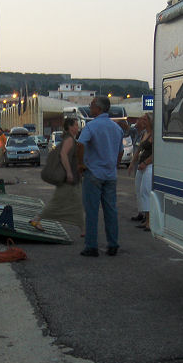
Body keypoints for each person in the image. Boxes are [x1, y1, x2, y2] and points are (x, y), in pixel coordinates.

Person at [77, 95, 124, 257]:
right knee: (111, 210)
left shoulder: (91, 126)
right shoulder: (116, 128)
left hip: (93, 173)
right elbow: (121, 151)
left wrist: (80, 164)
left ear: (99, 108)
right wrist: (115, 165)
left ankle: (91, 246)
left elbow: (80, 144)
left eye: (91, 105)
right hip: (110, 174)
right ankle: (113, 244)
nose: (90, 107)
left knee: (92, 211)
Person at [29, 118, 84, 235]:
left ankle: (83, 229)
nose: (77, 127)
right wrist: (69, 172)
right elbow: (63, 154)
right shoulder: (69, 139)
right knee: (57, 203)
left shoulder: (69, 138)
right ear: (70, 127)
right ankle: (36, 219)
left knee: (77, 203)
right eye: (75, 125)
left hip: (72, 179)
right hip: (67, 180)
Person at [128, 112, 154, 231]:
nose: (141, 121)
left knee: (145, 191)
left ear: (150, 121)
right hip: (141, 165)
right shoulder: (144, 133)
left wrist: (145, 162)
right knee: (139, 190)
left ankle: (149, 221)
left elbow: (156, 152)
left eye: (144, 119)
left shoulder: (154, 134)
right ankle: (143, 215)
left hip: (149, 165)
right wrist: (132, 163)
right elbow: (138, 149)